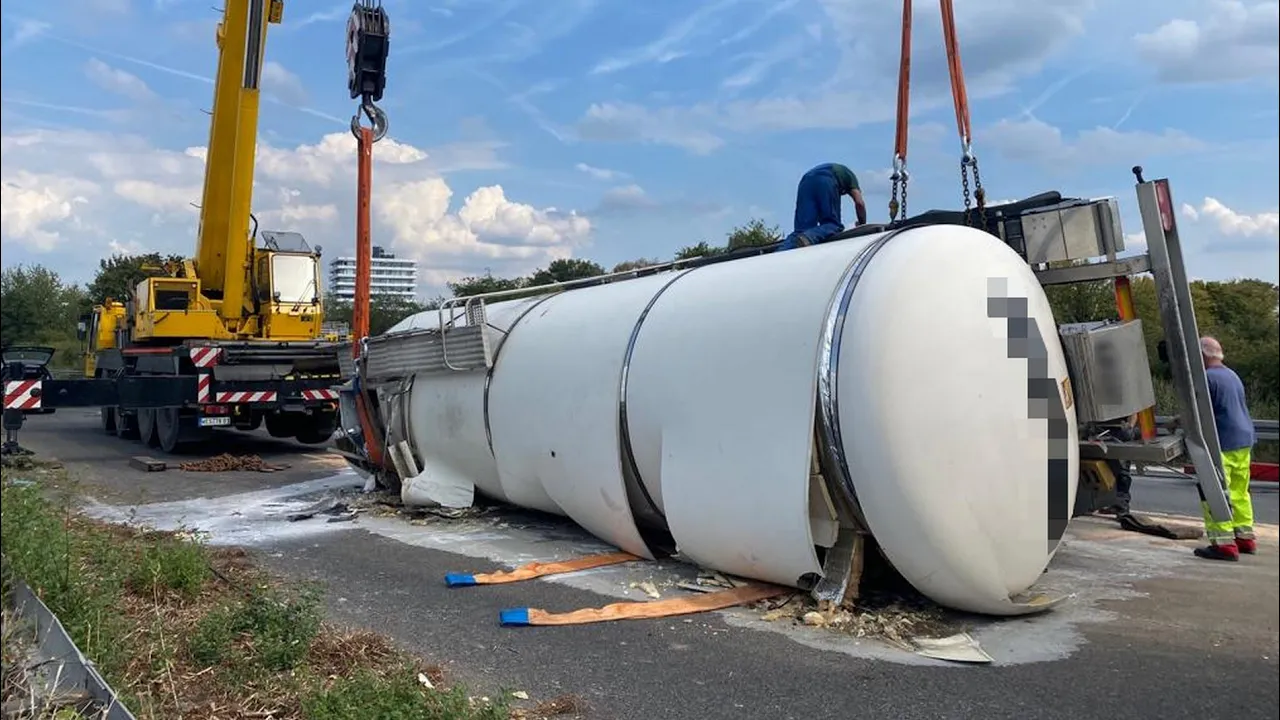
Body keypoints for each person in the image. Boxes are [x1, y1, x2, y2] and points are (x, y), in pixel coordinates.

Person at [1194, 336, 1257, 561]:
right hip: (1243, 439)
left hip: (1222, 441)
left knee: (1215, 492)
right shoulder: (1231, 375)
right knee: (1240, 491)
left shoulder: (1207, 379)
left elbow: (1201, 414)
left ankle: (1223, 544)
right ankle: (1245, 537)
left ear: (1202, 355)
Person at [777, 163, 868, 251]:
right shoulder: (851, 178)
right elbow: (859, 203)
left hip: (805, 181)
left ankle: (779, 253)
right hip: (826, 178)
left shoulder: (836, 170)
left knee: (801, 231)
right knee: (833, 224)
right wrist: (862, 223)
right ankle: (808, 237)